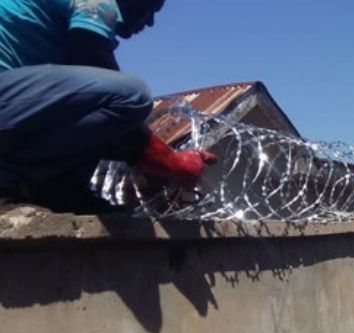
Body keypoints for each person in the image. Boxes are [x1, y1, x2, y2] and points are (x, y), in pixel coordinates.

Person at [0, 0, 216, 213]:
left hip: (11, 106)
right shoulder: (98, 3)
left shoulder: (59, 43)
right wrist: (167, 161)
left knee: (99, 115)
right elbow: (93, 59)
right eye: (149, 7)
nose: (150, 22)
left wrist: (145, 160)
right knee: (133, 96)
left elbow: (93, 127)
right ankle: (16, 184)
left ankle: (59, 192)